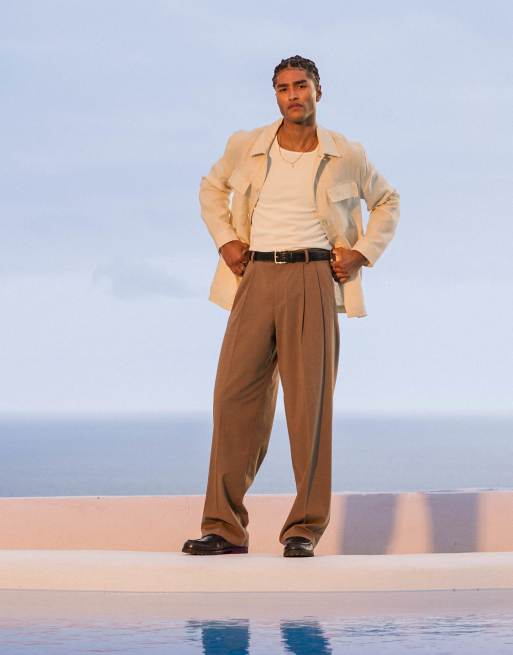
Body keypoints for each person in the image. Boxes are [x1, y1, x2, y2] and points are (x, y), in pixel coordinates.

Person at [182, 55, 400, 558]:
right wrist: (225, 240)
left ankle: (304, 528)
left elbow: (387, 200)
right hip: (254, 275)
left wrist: (362, 252)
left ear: (319, 91)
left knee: (309, 409)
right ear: (276, 96)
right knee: (233, 400)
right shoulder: (247, 146)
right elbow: (211, 187)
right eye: (283, 88)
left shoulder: (346, 153)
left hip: (312, 277)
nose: (292, 95)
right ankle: (224, 529)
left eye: (301, 86)